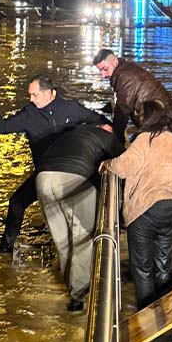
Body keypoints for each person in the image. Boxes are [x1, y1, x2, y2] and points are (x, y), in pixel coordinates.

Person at [0, 74, 111, 252]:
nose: (31, 99)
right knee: (16, 204)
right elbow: (2, 127)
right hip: (46, 171)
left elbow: (98, 120)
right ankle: (5, 249)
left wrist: (104, 127)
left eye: (35, 95)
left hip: (72, 170)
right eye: (30, 95)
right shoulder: (29, 114)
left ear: (49, 93)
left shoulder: (70, 108)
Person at [104, 100, 172, 310]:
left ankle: (147, 316)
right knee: (163, 263)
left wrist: (107, 164)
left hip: (145, 209)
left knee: (142, 268)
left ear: (146, 117)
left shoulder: (145, 139)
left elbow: (124, 167)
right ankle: (165, 310)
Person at [34, 124, 123, 311]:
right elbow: (123, 162)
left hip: (43, 178)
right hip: (72, 179)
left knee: (62, 239)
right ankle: (79, 296)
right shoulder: (106, 137)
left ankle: (67, 282)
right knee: (83, 237)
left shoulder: (75, 134)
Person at [92, 49, 172, 143]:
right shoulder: (127, 68)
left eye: (105, 69)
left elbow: (123, 109)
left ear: (115, 62)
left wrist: (116, 139)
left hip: (159, 123)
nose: (103, 75)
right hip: (165, 119)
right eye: (100, 71)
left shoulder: (124, 77)